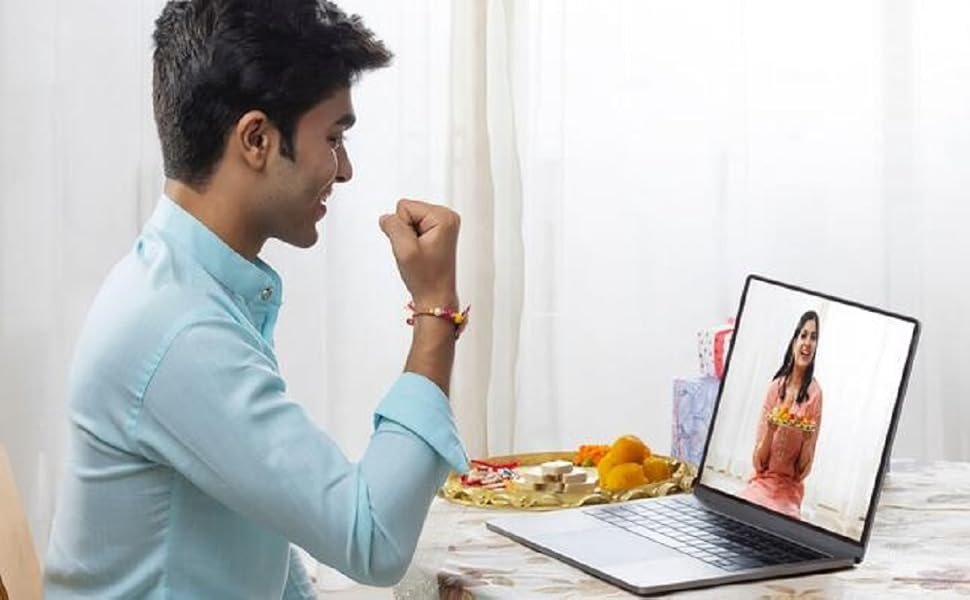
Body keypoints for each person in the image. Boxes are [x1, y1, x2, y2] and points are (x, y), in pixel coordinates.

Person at [44, 1, 470, 597]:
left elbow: (265, 554)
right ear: (257, 139)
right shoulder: (179, 331)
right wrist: (435, 310)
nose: (344, 170)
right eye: (333, 136)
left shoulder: (180, 288)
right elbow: (373, 539)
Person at [741, 311, 823, 519]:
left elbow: (802, 472)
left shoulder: (815, 395)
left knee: (782, 527)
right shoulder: (775, 388)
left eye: (813, 337)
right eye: (803, 335)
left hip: (789, 487)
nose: (808, 342)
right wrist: (770, 430)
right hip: (763, 480)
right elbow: (758, 464)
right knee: (742, 515)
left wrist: (806, 441)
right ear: (794, 341)